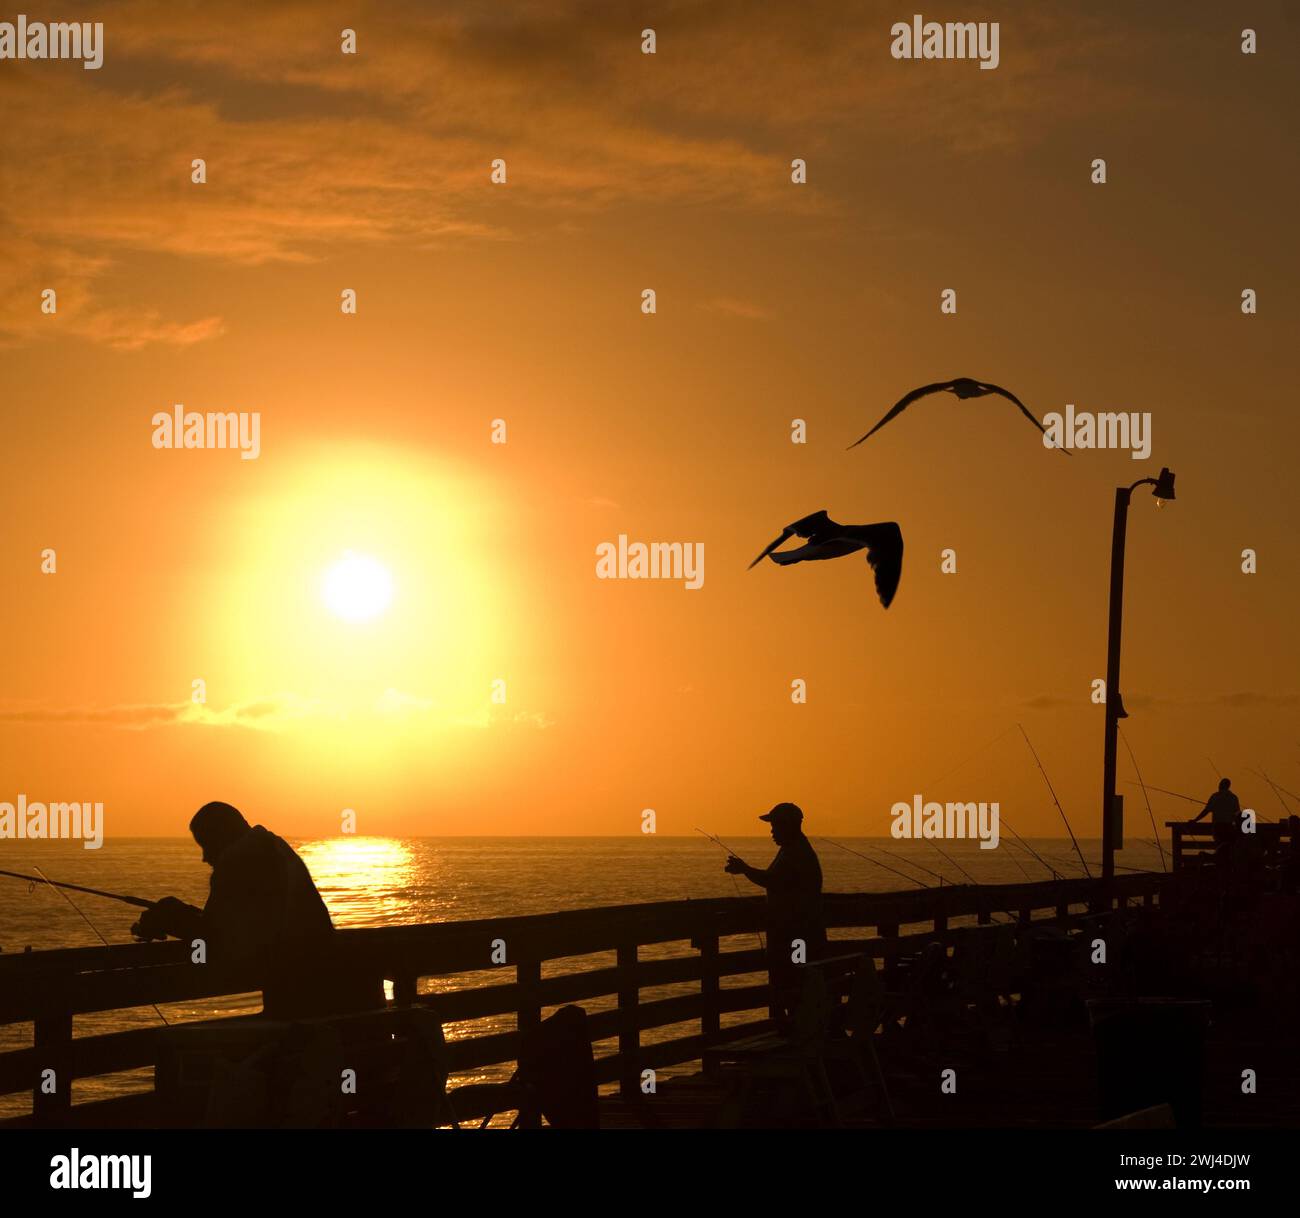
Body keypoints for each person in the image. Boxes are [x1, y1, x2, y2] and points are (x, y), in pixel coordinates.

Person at [131, 801, 378, 1018]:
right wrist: (179, 912)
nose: (204, 857)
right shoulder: (274, 846)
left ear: (221, 836)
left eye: (205, 844)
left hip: (299, 998)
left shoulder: (235, 860)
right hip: (332, 986)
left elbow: (217, 937)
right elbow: (235, 922)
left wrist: (171, 917)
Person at [725, 802, 827, 1019]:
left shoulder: (795, 853)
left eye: (775, 826)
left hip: (798, 938)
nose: (772, 831)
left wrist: (744, 869)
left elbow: (772, 880)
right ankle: (800, 1029)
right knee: (797, 983)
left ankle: (798, 1034)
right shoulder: (794, 850)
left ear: (788, 825)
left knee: (796, 981)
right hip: (800, 935)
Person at [1191, 778, 1242, 854]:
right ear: (1228, 786)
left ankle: (1220, 861)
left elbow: (1206, 811)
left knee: (1219, 847)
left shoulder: (1215, 796)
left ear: (1220, 785)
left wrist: (1195, 820)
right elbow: (1238, 814)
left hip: (1218, 827)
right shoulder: (1234, 797)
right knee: (1229, 847)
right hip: (1229, 827)